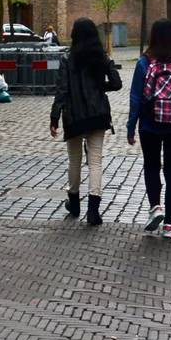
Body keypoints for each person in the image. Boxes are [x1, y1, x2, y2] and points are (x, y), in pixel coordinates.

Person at [127, 18, 171, 240]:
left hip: (149, 124)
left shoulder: (144, 63)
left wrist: (131, 127)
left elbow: (135, 98)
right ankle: (169, 224)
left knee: (151, 167)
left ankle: (155, 207)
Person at [49, 17, 122, 226]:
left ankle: (74, 201)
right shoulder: (102, 57)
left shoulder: (67, 59)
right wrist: (100, 88)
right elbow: (117, 83)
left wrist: (54, 117)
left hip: (74, 116)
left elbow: (61, 90)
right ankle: (93, 210)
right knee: (96, 161)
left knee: (74, 160)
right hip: (98, 114)